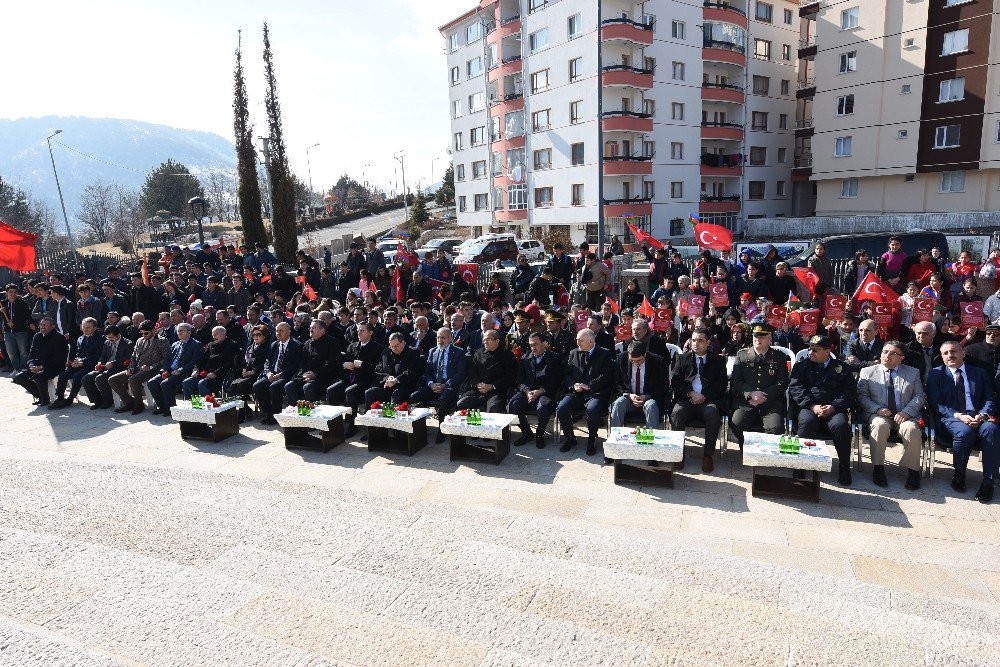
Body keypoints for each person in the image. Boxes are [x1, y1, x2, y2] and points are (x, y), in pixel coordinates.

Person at [927, 341, 999, 502]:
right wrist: (959, 416)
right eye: (945, 353)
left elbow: (989, 398)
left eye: (953, 351)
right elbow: (936, 403)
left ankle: (988, 481)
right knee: (965, 432)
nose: (950, 355)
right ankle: (959, 474)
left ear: (963, 353)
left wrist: (983, 414)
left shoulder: (979, 373)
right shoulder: (936, 374)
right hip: (952, 418)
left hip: (979, 416)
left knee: (992, 430)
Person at [788, 335, 857, 485]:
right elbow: (796, 389)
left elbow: (849, 391)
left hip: (834, 408)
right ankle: (800, 465)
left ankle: (844, 466)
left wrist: (834, 406)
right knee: (807, 423)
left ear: (827, 351)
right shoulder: (801, 366)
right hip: (810, 406)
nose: (810, 352)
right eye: (809, 349)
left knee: (840, 425)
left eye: (815, 350)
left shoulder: (842, 367)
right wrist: (813, 406)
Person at [857, 341, 926, 489]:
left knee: (911, 429)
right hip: (879, 414)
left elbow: (919, 396)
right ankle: (878, 468)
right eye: (884, 351)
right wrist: (877, 409)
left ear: (901, 358)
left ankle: (913, 471)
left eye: (892, 353)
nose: (886, 356)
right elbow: (862, 397)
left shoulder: (912, 373)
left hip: (905, 414)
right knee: (879, 426)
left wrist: (906, 412)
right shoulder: (867, 372)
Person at [670, 326, 727, 472]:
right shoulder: (682, 358)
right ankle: (678, 454)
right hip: (687, 400)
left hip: (707, 400)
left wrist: (704, 396)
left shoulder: (718, 361)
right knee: (677, 413)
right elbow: (676, 382)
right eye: (694, 340)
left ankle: (708, 456)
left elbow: (721, 386)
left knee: (713, 413)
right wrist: (690, 393)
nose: (696, 344)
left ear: (708, 342)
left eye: (700, 341)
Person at [729, 324, 789, 447]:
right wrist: (751, 394)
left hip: (770, 402)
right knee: (737, 423)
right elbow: (736, 381)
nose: (758, 339)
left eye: (762, 336)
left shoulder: (779, 357)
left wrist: (763, 396)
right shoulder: (742, 355)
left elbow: (782, 383)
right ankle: (746, 447)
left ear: (769, 338)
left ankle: (765, 452)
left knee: (776, 428)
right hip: (747, 402)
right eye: (756, 336)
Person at [556, 329, 613, 455]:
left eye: (581, 340)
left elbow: (606, 376)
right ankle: (570, 438)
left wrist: (589, 386)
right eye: (577, 339)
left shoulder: (604, 354)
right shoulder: (573, 353)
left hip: (595, 393)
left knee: (592, 410)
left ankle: (591, 440)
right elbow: (567, 373)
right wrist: (573, 385)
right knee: (562, 408)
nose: (578, 343)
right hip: (576, 392)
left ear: (591, 342)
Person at [410, 327, 468, 443]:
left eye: (443, 338)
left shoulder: (459, 352)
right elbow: (427, 372)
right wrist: (431, 384)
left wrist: (446, 385)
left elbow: (460, 374)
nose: (440, 340)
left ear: (450, 338)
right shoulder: (433, 351)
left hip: (450, 385)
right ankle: (416, 428)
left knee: (444, 399)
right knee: (414, 397)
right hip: (434, 384)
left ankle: (442, 430)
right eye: (438, 337)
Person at [328, 321, 384, 436]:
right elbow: (342, 363)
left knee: (350, 391)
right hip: (349, 378)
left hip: (365, 381)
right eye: (358, 330)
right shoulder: (352, 346)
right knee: (331, 390)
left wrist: (363, 364)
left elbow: (378, 370)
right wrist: (344, 365)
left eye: (362, 330)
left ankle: (351, 424)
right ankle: (334, 423)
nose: (359, 333)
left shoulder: (377, 348)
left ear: (370, 332)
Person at [508, 332, 561, 448]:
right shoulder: (525, 358)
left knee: (543, 407)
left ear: (544, 344)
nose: (533, 348)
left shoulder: (554, 358)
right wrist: (527, 391)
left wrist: (540, 391)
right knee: (514, 404)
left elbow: (555, 381)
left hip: (545, 392)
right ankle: (527, 433)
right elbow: (519, 380)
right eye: (531, 345)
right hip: (529, 392)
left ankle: (539, 434)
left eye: (535, 344)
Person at [108, 320, 170, 415]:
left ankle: (139, 404)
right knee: (113, 380)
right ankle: (129, 402)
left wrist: (151, 367)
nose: (144, 335)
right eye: (141, 333)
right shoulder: (139, 340)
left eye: (146, 333)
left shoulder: (162, 341)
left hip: (153, 370)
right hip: (137, 368)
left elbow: (167, 358)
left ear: (154, 330)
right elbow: (133, 356)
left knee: (133, 380)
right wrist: (131, 367)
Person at [610, 340, 668, 430]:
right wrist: (628, 395)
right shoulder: (621, 359)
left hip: (649, 398)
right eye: (632, 361)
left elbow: (663, 386)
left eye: (639, 360)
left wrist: (646, 396)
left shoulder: (658, 362)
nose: (636, 363)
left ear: (645, 354)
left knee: (651, 406)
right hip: (629, 398)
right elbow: (617, 382)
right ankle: (615, 437)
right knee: (618, 403)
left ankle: (650, 439)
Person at [252, 322, 303, 424]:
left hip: (286, 376)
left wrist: (281, 375)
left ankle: (277, 415)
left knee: (274, 387)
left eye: (281, 331)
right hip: (272, 374)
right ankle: (268, 413)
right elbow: (267, 361)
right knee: (257, 386)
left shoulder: (297, 345)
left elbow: (296, 366)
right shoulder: (274, 344)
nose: (278, 333)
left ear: (289, 332)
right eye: (277, 331)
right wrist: (268, 373)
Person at [148, 322, 203, 415]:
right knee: (152, 382)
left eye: (182, 331)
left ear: (189, 332)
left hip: (183, 372)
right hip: (170, 371)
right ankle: (162, 406)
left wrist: (180, 370)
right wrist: (165, 369)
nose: (179, 333)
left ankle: (170, 409)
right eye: (178, 331)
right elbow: (167, 359)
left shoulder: (196, 344)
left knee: (165, 384)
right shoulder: (175, 344)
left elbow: (194, 361)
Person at [13, 317, 69, 407]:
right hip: (37, 365)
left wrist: (41, 367)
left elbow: (59, 359)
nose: (42, 327)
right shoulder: (37, 336)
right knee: (18, 378)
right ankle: (41, 396)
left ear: (53, 326)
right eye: (41, 325)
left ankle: (45, 399)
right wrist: (31, 365)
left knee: (38, 376)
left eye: (45, 325)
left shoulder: (59, 338)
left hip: (54, 366)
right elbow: (31, 354)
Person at [457, 329, 516, 413]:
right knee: (461, 404)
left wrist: (492, 386)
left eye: (489, 339)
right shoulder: (479, 353)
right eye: (484, 339)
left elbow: (510, 376)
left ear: (497, 341)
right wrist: (477, 384)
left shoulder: (507, 355)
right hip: (479, 390)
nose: (485, 342)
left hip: (497, 390)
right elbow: (472, 372)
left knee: (494, 408)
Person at [283, 319, 342, 404]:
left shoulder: (333, 342)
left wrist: (315, 374)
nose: (310, 330)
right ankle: (298, 411)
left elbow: (331, 363)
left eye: (314, 328)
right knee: (289, 386)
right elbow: (302, 362)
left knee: (308, 387)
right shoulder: (307, 343)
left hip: (324, 377)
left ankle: (313, 413)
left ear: (322, 330)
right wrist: (304, 374)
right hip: (307, 376)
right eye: (310, 328)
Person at [50, 317, 103, 409]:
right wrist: (76, 361)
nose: (85, 329)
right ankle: (60, 398)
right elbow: (79, 353)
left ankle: (70, 398)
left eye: (88, 327)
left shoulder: (100, 338)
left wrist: (82, 361)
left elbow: (99, 355)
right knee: (63, 375)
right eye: (84, 327)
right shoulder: (81, 338)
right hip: (81, 363)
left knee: (77, 376)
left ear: (94, 328)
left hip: (94, 364)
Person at [364, 332, 425, 408]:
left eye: (396, 346)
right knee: (370, 393)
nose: (394, 349)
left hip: (404, 386)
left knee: (397, 394)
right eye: (391, 346)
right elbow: (378, 370)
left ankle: (392, 418)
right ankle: (369, 419)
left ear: (403, 342)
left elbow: (411, 372)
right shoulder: (386, 352)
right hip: (387, 385)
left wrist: (396, 380)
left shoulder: (412, 352)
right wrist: (388, 378)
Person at [82, 324, 134, 410]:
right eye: (108, 338)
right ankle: (97, 401)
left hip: (119, 368)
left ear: (118, 335)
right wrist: (99, 363)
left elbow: (127, 359)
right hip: (106, 366)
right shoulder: (107, 342)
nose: (110, 340)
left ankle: (108, 401)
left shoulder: (128, 343)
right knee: (86, 378)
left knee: (100, 378)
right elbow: (103, 356)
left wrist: (113, 363)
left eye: (111, 337)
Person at [181, 325, 238, 399]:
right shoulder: (211, 345)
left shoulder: (232, 345)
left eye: (216, 334)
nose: (214, 336)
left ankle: (207, 406)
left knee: (202, 383)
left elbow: (229, 363)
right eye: (213, 334)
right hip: (206, 373)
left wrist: (216, 373)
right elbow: (203, 359)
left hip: (221, 375)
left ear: (224, 333)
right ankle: (191, 406)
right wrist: (196, 368)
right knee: (187, 382)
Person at [230, 325, 271, 421]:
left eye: (258, 334)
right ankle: (246, 410)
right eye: (253, 335)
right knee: (233, 385)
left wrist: (253, 371)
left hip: (259, 374)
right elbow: (246, 362)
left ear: (264, 336)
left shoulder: (268, 347)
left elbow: (266, 363)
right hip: (248, 374)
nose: (255, 337)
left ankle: (241, 413)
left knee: (241, 385)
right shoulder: (250, 347)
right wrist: (244, 369)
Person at [1, 283, 33, 374]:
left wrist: (14, 322)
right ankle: (16, 369)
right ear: (6, 293)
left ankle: (23, 369)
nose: (13, 294)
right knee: (11, 353)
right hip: (7, 332)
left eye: (15, 292)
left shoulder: (22, 303)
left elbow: (26, 316)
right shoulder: (2, 304)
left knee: (23, 351)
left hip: (21, 331)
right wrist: (2, 311)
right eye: (10, 292)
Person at [904, 320, 942, 385]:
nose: (921, 336)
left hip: (938, 385)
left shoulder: (943, 348)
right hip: (915, 385)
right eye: (919, 333)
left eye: (925, 333)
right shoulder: (908, 349)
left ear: (934, 334)